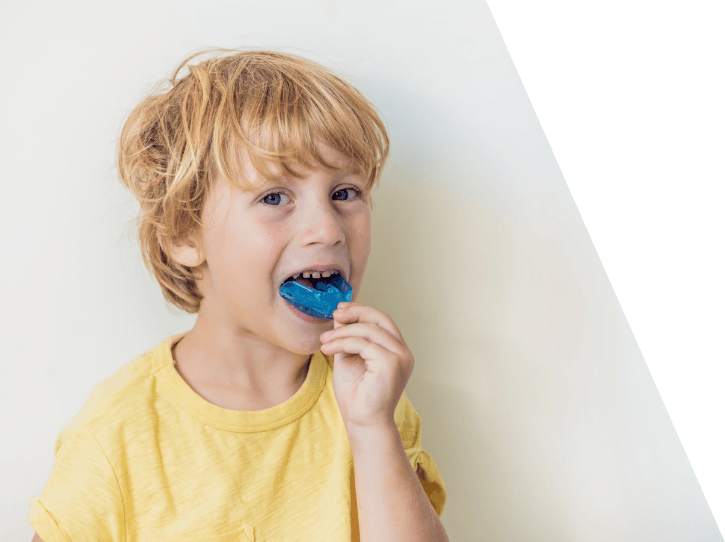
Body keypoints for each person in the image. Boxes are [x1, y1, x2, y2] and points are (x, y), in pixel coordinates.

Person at [28, 49, 448, 542]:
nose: (326, 228)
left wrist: (373, 429)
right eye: (274, 197)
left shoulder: (371, 400)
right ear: (185, 236)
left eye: (345, 193)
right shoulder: (117, 436)